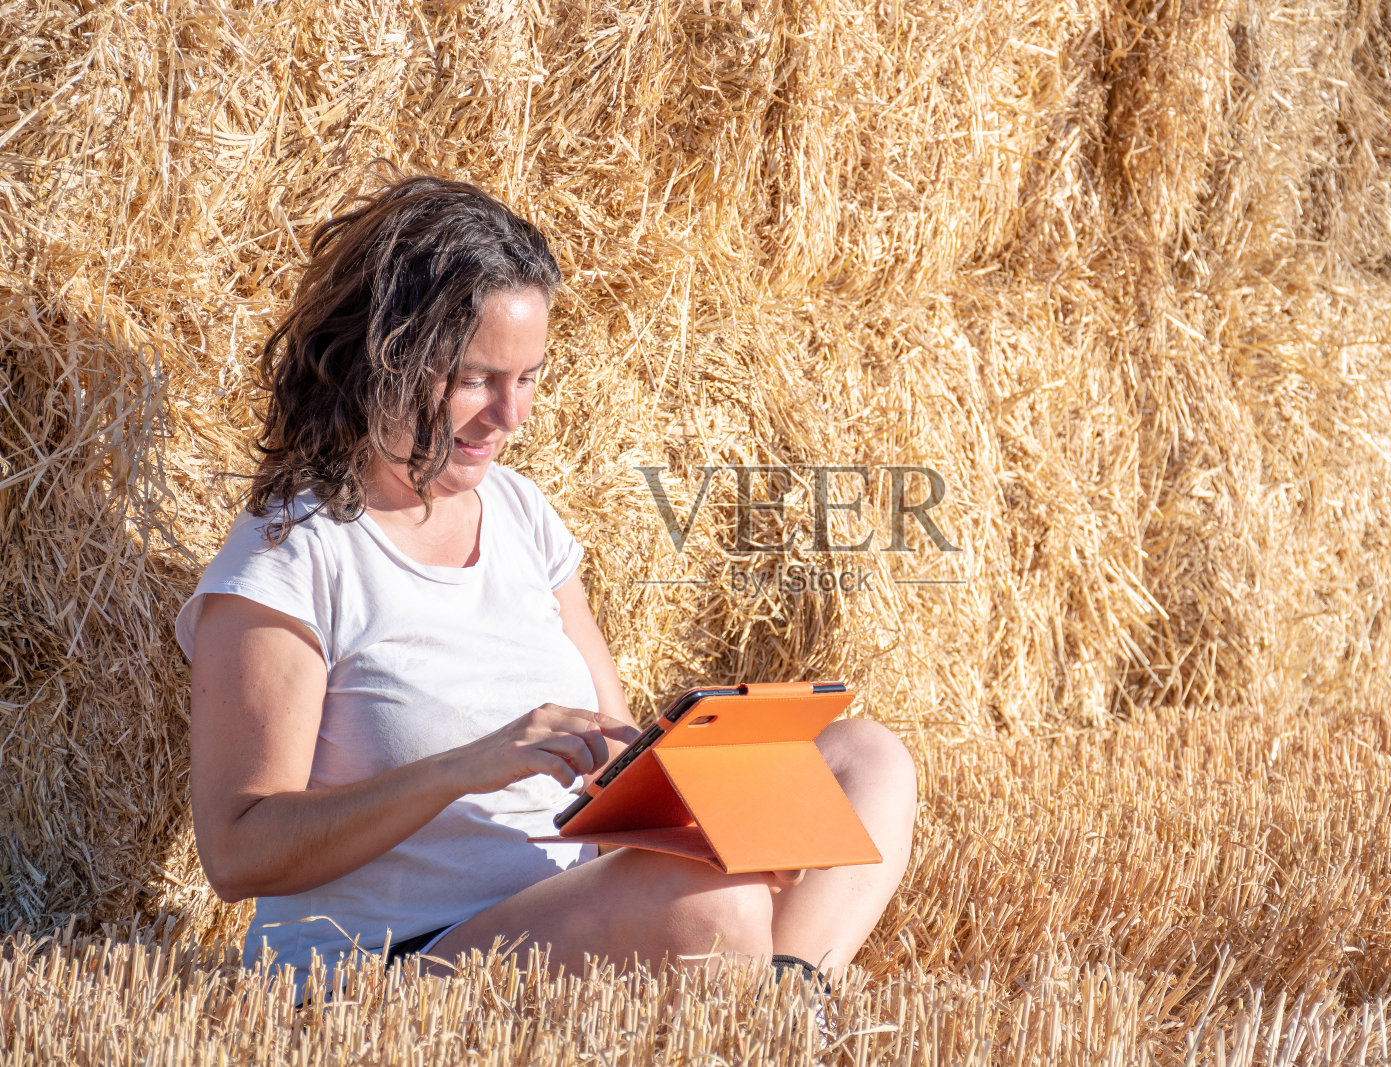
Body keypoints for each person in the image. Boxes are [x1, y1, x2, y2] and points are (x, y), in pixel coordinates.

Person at [176, 174, 917, 995]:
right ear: (383, 356)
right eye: (477, 379)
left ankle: (782, 1009)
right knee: (709, 900)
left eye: (527, 377)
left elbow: (618, 753)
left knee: (866, 761)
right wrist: (467, 766)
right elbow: (239, 850)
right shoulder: (293, 554)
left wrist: (709, 798)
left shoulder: (521, 512)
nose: (511, 414)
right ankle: (769, 1015)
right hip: (384, 968)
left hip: (568, 914)